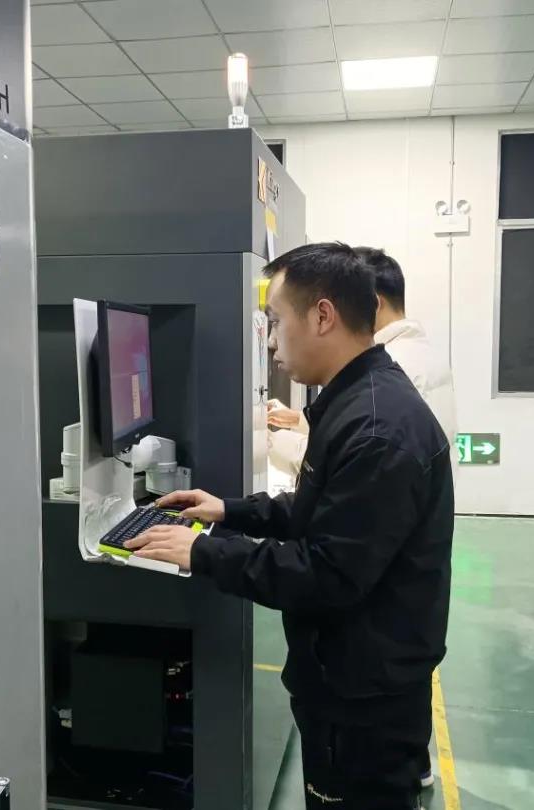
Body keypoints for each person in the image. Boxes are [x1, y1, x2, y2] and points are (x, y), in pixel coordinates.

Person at [125, 243, 454, 810]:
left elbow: (328, 573)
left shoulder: (377, 430)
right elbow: (321, 509)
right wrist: (230, 511)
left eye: (276, 322)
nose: (272, 343)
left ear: (323, 316)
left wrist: (202, 553)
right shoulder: (356, 401)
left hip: (362, 695)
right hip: (351, 676)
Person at [267, 247, 458, 481]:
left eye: (276, 321)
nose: (272, 341)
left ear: (373, 302)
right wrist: (299, 420)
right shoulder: (420, 352)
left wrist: (266, 441)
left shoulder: (395, 366)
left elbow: (359, 455)